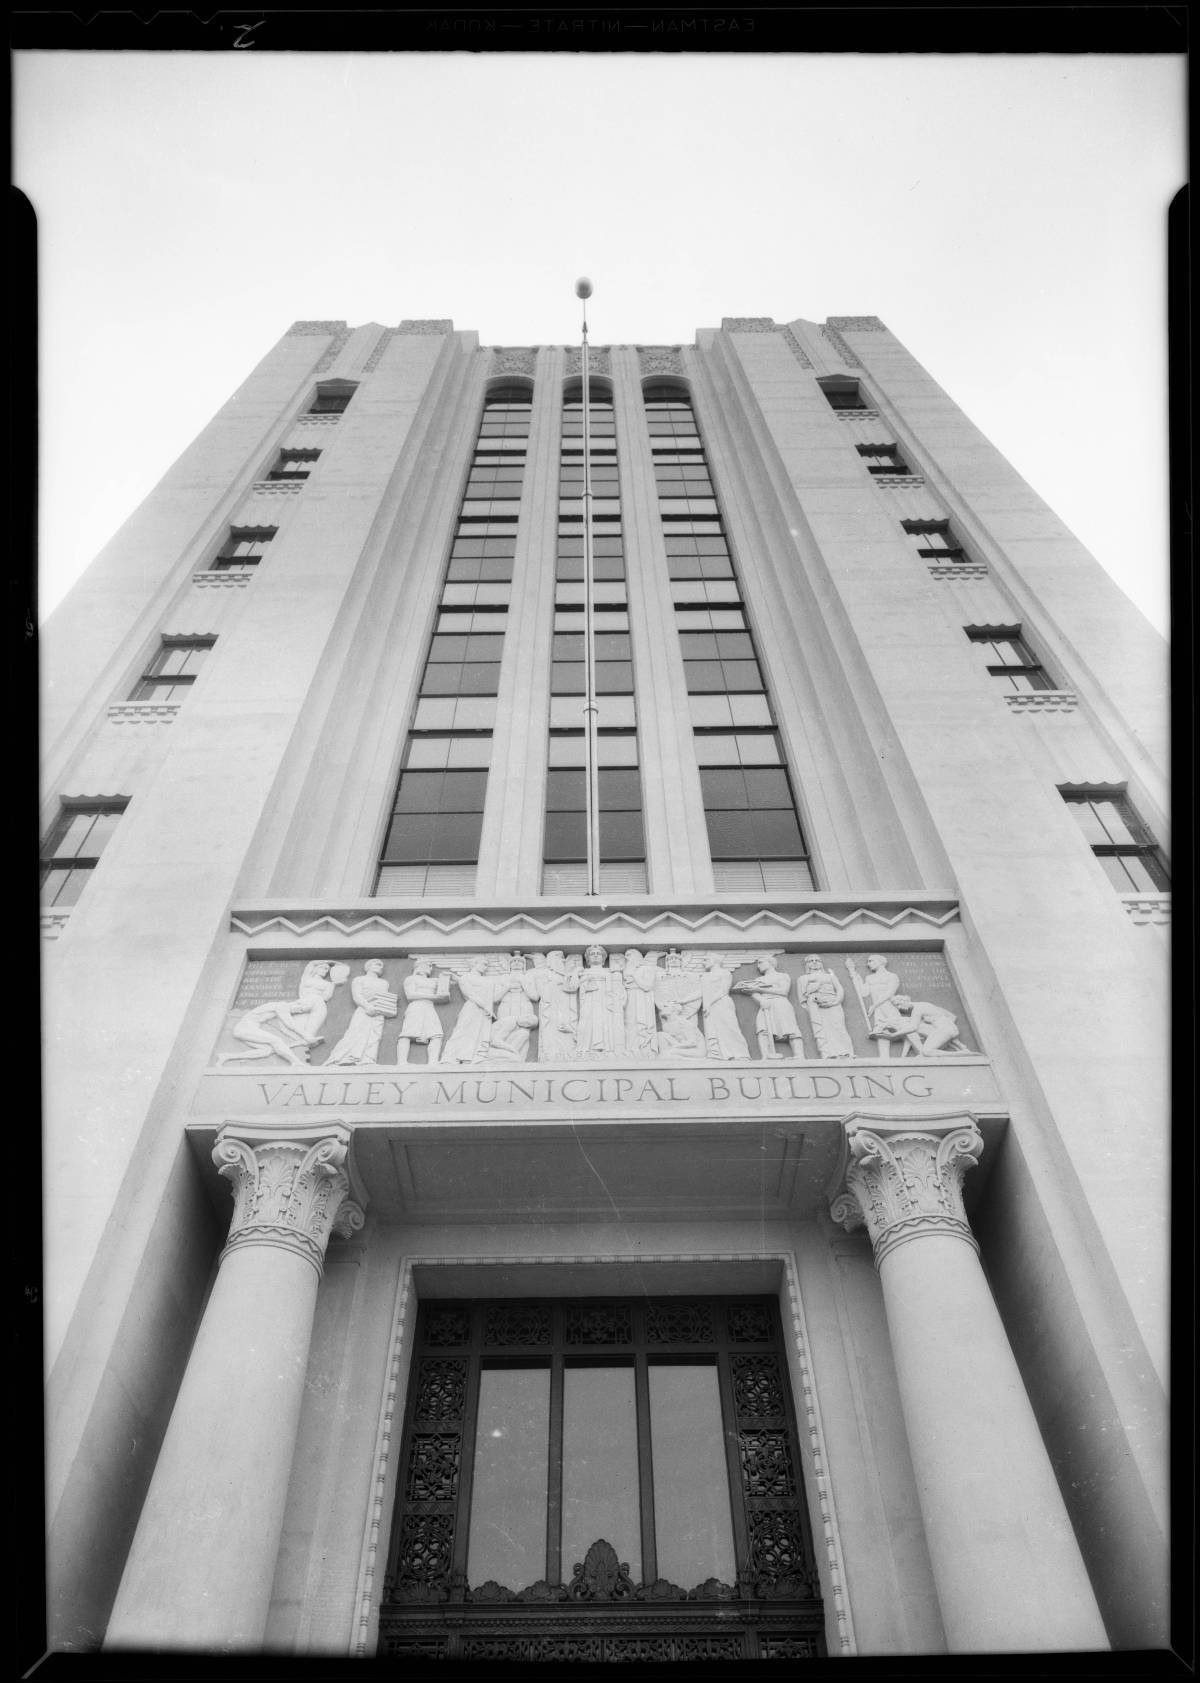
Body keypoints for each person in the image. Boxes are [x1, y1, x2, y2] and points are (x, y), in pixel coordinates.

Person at [218, 961, 349, 1067]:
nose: (299, 1012)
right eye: (300, 1010)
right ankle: (295, 1062)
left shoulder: (285, 1006)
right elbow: (290, 1024)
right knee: (276, 1040)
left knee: (267, 1051)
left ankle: (227, 1057)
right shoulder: (281, 1007)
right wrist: (306, 1036)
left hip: (248, 1029)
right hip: (244, 1029)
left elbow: (325, 997)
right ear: (296, 1004)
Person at [325, 959, 398, 1066]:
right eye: (377, 964)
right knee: (355, 1032)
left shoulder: (384, 983)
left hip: (379, 1011)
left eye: (381, 965)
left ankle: (368, 1059)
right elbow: (357, 995)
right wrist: (367, 1006)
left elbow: (383, 997)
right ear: (368, 966)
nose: (380, 967)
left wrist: (386, 1008)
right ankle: (341, 1058)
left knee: (375, 1035)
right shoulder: (359, 979)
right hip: (364, 1009)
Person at [442, 959, 515, 1065]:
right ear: (474, 964)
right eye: (483, 964)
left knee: (482, 1035)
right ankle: (449, 1058)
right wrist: (485, 1007)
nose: (485, 967)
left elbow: (493, 999)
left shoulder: (488, 981)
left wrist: (506, 988)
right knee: (463, 1031)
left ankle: (476, 1058)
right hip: (473, 1008)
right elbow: (470, 994)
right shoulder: (466, 978)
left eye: (486, 965)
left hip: (485, 1012)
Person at [735, 955, 805, 1061]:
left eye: (761, 962)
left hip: (780, 1003)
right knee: (763, 1029)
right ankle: (766, 1055)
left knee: (791, 1029)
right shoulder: (759, 979)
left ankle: (799, 1055)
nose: (758, 966)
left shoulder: (782, 976)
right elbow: (754, 993)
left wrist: (759, 989)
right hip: (765, 1004)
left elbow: (783, 991)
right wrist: (761, 1000)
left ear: (770, 963)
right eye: (758, 963)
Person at [564, 944, 627, 1058]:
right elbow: (571, 988)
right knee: (586, 1023)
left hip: (606, 1003)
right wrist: (575, 974)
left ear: (603, 959)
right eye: (593, 954)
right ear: (588, 959)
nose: (596, 956)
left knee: (605, 1023)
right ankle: (583, 1048)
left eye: (599, 954)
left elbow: (619, 990)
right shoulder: (583, 972)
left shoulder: (611, 972)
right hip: (588, 1002)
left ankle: (608, 1049)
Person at [845, 954, 906, 1053]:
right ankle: (884, 1059)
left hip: (888, 1007)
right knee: (881, 1033)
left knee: (900, 1027)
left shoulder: (891, 976)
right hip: (878, 1009)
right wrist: (853, 972)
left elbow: (890, 993)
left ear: (880, 962)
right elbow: (863, 992)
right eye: (868, 962)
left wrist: (874, 1005)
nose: (868, 964)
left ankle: (919, 1049)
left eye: (871, 961)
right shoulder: (869, 978)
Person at [797, 956, 854, 1060]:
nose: (814, 963)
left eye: (817, 960)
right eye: (811, 961)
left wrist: (835, 1002)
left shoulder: (830, 976)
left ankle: (846, 1052)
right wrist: (814, 1000)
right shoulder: (803, 978)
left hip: (833, 1002)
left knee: (839, 1027)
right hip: (816, 1004)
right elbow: (803, 996)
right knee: (821, 1029)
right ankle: (827, 1053)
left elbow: (840, 990)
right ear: (807, 964)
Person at [525, 950, 577, 1062]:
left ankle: (566, 1055)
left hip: (564, 1008)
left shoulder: (564, 975)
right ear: (551, 961)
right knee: (551, 1030)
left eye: (562, 959)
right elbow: (540, 993)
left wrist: (575, 974)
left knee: (565, 1031)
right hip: (550, 1008)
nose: (562, 962)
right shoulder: (544, 974)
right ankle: (550, 1055)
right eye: (558, 959)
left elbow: (571, 988)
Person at [396, 957, 450, 1065]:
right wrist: (435, 997)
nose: (430, 967)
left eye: (431, 965)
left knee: (436, 1035)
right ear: (419, 966)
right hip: (416, 1007)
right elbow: (410, 995)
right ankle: (402, 1062)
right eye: (428, 965)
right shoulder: (411, 979)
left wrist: (447, 979)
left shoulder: (434, 981)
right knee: (407, 1033)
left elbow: (444, 992)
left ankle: (433, 1061)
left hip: (429, 1008)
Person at [700, 953, 750, 1060]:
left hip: (721, 1003)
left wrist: (709, 1003)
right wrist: (682, 1000)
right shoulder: (705, 976)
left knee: (730, 1027)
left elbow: (724, 990)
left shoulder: (724, 973)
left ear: (714, 960)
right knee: (712, 1029)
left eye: (706, 959)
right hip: (708, 1007)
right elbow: (700, 993)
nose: (703, 962)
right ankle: (716, 1054)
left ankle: (741, 1054)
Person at [489, 953, 538, 1062]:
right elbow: (495, 998)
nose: (516, 963)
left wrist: (523, 983)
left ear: (523, 965)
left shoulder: (528, 977)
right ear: (509, 965)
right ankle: (504, 1055)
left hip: (524, 1008)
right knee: (505, 1030)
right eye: (514, 961)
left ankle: (516, 1057)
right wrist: (507, 987)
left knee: (523, 1033)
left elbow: (535, 997)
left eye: (519, 961)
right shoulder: (503, 978)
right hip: (506, 1007)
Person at [891, 996, 966, 1057]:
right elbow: (950, 1016)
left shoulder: (917, 1010)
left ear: (904, 1000)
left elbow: (913, 1027)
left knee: (926, 1052)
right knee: (922, 1054)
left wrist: (894, 1035)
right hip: (948, 1028)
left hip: (944, 1029)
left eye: (898, 1004)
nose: (899, 1008)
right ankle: (962, 1048)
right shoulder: (924, 1004)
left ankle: (959, 1054)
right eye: (897, 1006)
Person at [623, 949, 661, 1058]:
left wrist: (635, 975)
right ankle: (632, 1049)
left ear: (637, 957)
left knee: (643, 1022)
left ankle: (646, 1049)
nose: (628, 959)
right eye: (627, 957)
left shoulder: (646, 969)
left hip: (643, 999)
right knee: (630, 1023)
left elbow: (647, 986)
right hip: (630, 998)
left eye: (630, 956)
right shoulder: (628, 971)